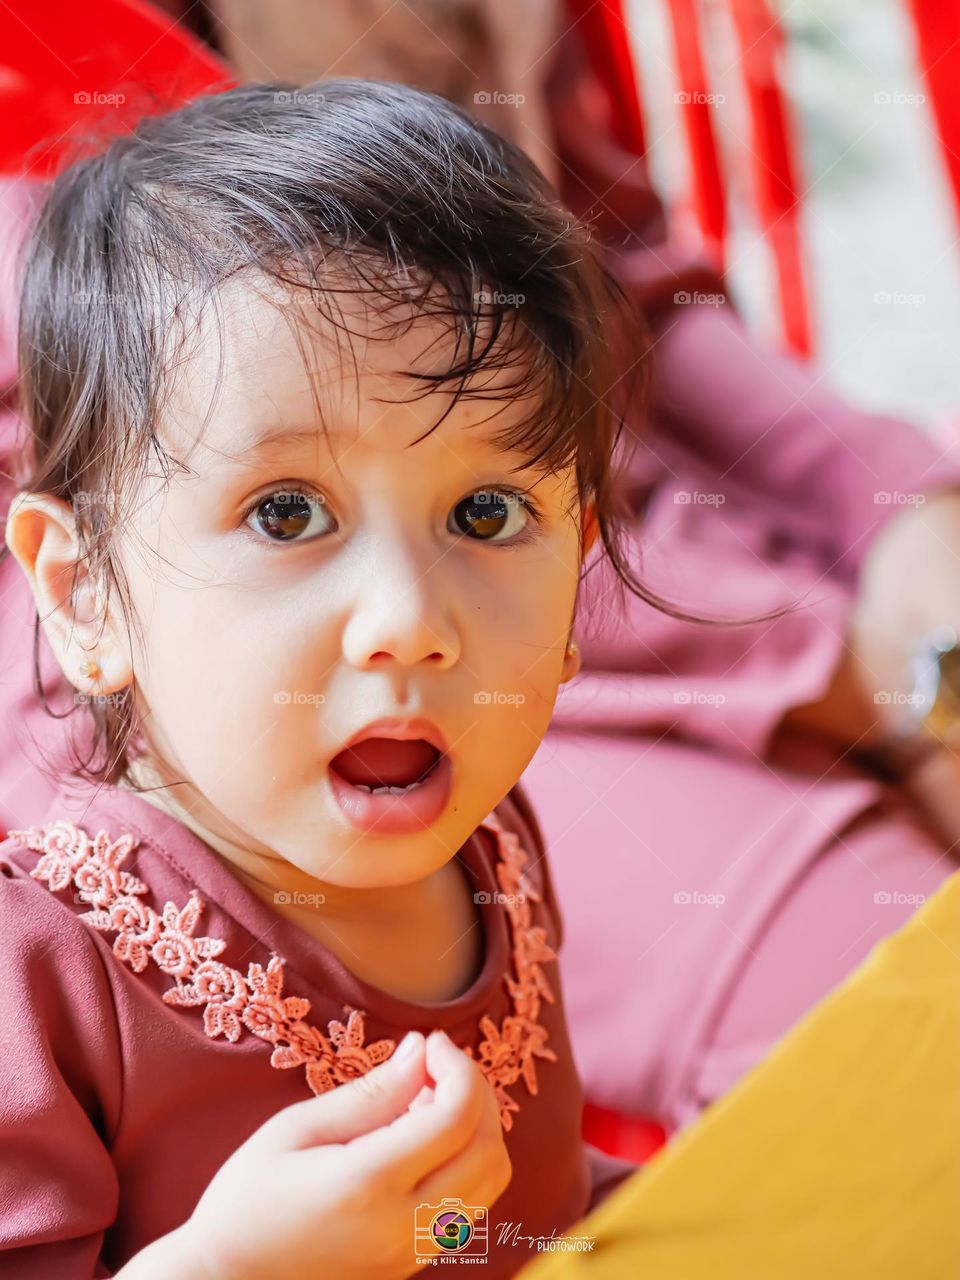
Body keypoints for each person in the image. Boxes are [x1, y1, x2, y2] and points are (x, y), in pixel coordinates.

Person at [0, 78, 641, 1277]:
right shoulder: (43, 974)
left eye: (487, 510)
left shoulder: (494, 844)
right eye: (287, 512)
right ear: (87, 594)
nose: (408, 622)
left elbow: (518, 1212)